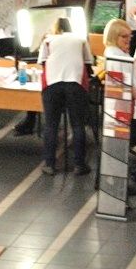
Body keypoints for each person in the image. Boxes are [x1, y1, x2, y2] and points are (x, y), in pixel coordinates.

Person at [38, 18, 93, 176]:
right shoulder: (81, 40)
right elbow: (88, 62)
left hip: (52, 85)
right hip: (75, 83)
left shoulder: (48, 40)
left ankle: (49, 164)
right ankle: (79, 165)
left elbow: (42, 63)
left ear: (56, 28)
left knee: (51, 125)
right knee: (77, 125)